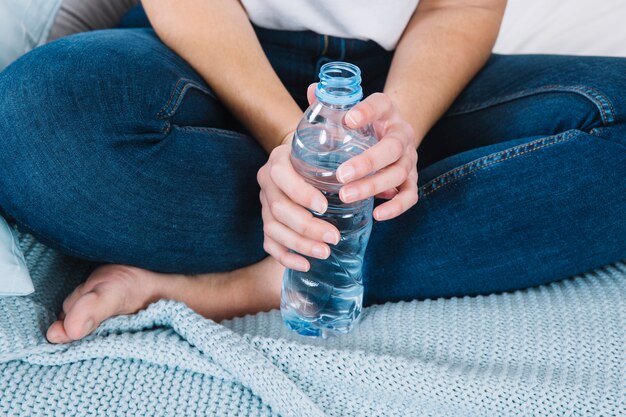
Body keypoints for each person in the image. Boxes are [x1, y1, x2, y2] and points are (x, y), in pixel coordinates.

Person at [0, 0, 624, 344]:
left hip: (404, 72)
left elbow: (459, 5)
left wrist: (398, 130)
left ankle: (256, 280)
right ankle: (331, 237)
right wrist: (294, 145)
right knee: (31, 122)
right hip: (219, 49)